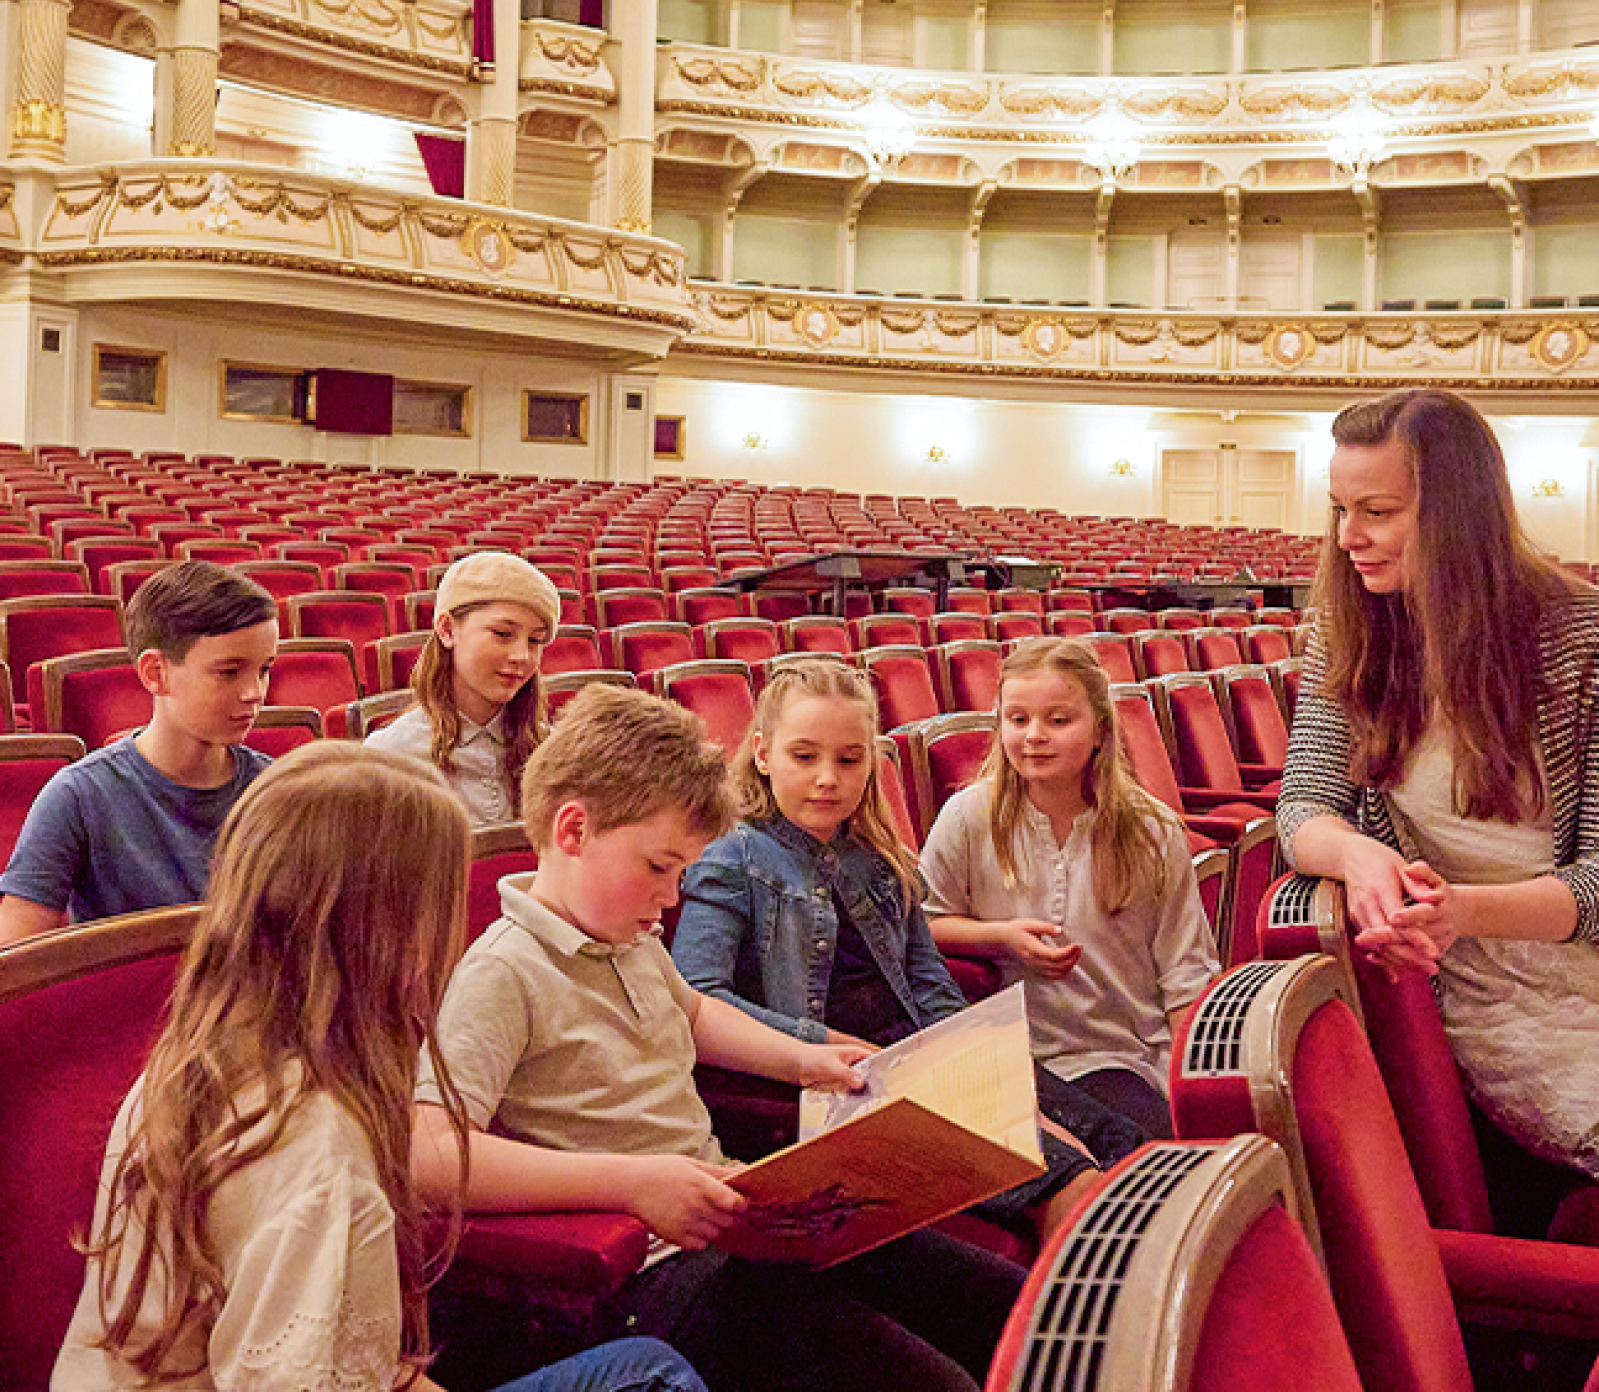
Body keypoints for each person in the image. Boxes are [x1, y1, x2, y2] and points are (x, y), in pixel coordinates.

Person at [411, 684, 1027, 1392]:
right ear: (573, 831)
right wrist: (633, 1181)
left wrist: (806, 1058)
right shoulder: (503, 971)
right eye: (657, 867)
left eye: (678, 872)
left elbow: (696, 1016)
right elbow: (428, 1154)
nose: (670, 898)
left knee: (1002, 1304)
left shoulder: (627, 935)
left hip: (735, 1220)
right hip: (643, 1272)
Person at [54, 740, 708, 1392]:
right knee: (652, 1376)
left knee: (644, 1367)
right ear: (392, 932)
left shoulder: (191, 1059)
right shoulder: (319, 1151)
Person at [671, 656, 1114, 1241]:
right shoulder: (733, 858)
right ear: (761, 754)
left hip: (920, 1060)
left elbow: (930, 985)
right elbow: (696, 997)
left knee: (1118, 1144)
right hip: (833, 1084)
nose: (828, 777)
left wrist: (986, 1071)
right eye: (804, 757)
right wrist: (819, 1042)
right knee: (1071, 1180)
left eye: (849, 759)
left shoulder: (877, 859)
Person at [1280, 387, 1599, 1178]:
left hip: (1557, 940)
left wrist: (1464, 908)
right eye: (1338, 510)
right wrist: (1357, 856)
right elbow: (1301, 806)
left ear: (1457, 511)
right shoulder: (1345, 630)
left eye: (1377, 511)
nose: (1348, 536)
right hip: (1489, 987)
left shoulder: (1581, 638)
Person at [919, 637, 1219, 1141]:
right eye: (1017, 720)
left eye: (1058, 721)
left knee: (1151, 1167)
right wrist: (999, 938)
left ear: (1100, 730)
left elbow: (1185, 976)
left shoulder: (1153, 829)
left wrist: (1189, 1089)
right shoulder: (968, 816)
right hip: (1010, 1059)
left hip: (1120, 1056)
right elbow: (921, 926)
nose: (1034, 736)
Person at [0, 560, 279, 946]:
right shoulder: (78, 797)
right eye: (229, 672)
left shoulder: (276, 791)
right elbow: (19, 961)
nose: (255, 692)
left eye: (264, 669)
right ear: (155, 673)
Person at [366, 550, 562, 825]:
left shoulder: (552, 753)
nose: (522, 656)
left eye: (535, 640)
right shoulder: (390, 758)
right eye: (503, 634)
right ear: (447, 630)